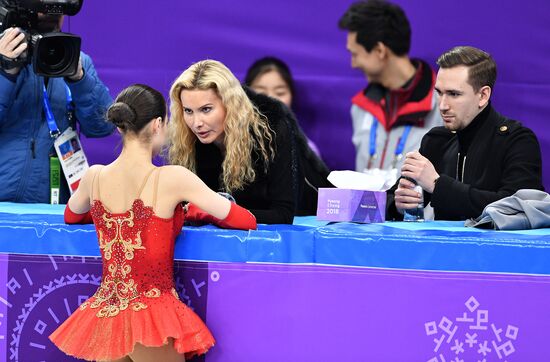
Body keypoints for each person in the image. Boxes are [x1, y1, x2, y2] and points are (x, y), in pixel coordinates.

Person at [49, 84, 257, 361]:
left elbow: (72, 215)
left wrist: (104, 213)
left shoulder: (94, 177)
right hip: (152, 315)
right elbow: (245, 220)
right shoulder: (173, 179)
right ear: (159, 124)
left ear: (121, 127)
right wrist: (195, 212)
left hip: (106, 314)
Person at [387, 46, 544, 220]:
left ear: (483, 96)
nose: (443, 105)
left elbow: (519, 209)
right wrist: (399, 204)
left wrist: (437, 185)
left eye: (454, 94)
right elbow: (391, 198)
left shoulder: (517, 140)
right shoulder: (436, 141)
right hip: (444, 247)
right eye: (439, 93)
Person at [169, 59, 304, 224]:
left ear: (230, 105)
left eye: (206, 109)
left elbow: (284, 215)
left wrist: (219, 213)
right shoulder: (186, 140)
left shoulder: (272, 131)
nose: (197, 123)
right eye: (188, 111)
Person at [0, 10, 114, 203]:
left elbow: (102, 127)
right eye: (44, 6)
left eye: (59, 7)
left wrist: (79, 79)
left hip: (51, 206)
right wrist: (5, 72)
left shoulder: (76, 60)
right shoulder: (2, 52)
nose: (52, 12)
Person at [338, 0, 442, 180]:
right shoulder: (360, 108)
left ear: (379, 50)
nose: (352, 64)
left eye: (355, 54)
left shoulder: (442, 105)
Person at [244, 56, 332, 215]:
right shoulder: (234, 143)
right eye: (260, 91)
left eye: (280, 92)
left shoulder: (305, 148)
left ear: (292, 95)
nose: (271, 98)